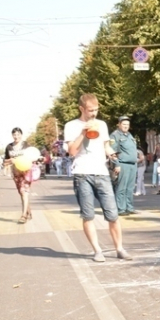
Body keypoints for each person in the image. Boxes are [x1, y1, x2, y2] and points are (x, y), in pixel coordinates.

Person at [63, 94, 131, 262]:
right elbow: (71, 151)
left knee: (113, 215)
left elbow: (106, 146)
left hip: (101, 173)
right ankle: (97, 250)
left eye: (96, 110)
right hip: (82, 173)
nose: (94, 113)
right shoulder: (71, 126)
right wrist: (83, 133)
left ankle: (119, 248)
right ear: (81, 109)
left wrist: (114, 159)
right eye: (90, 110)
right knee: (88, 215)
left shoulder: (102, 124)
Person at [3, 127, 35, 223]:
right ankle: (28, 211)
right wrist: (11, 160)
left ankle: (23, 215)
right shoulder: (9, 147)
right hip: (16, 173)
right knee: (21, 193)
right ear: (12, 135)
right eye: (14, 134)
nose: (16, 136)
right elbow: (5, 161)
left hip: (26, 171)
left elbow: (32, 157)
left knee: (24, 191)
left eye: (18, 134)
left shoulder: (26, 145)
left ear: (21, 135)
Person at [109, 116, 138, 216]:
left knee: (130, 188)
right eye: (124, 124)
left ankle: (129, 207)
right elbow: (112, 152)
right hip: (123, 164)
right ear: (119, 124)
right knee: (121, 188)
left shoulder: (129, 135)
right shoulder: (115, 135)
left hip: (132, 165)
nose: (126, 126)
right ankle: (121, 209)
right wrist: (116, 164)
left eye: (127, 125)